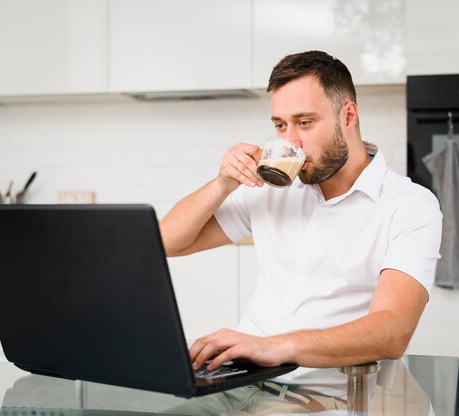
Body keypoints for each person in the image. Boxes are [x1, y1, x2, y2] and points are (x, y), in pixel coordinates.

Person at [159, 50, 442, 414]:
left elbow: (393, 330)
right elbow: (168, 242)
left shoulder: (409, 204)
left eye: (305, 123)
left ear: (349, 116)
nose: (290, 141)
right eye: (280, 125)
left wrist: (272, 346)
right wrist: (222, 183)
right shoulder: (272, 188)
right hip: (236, 381)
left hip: (322, 398)